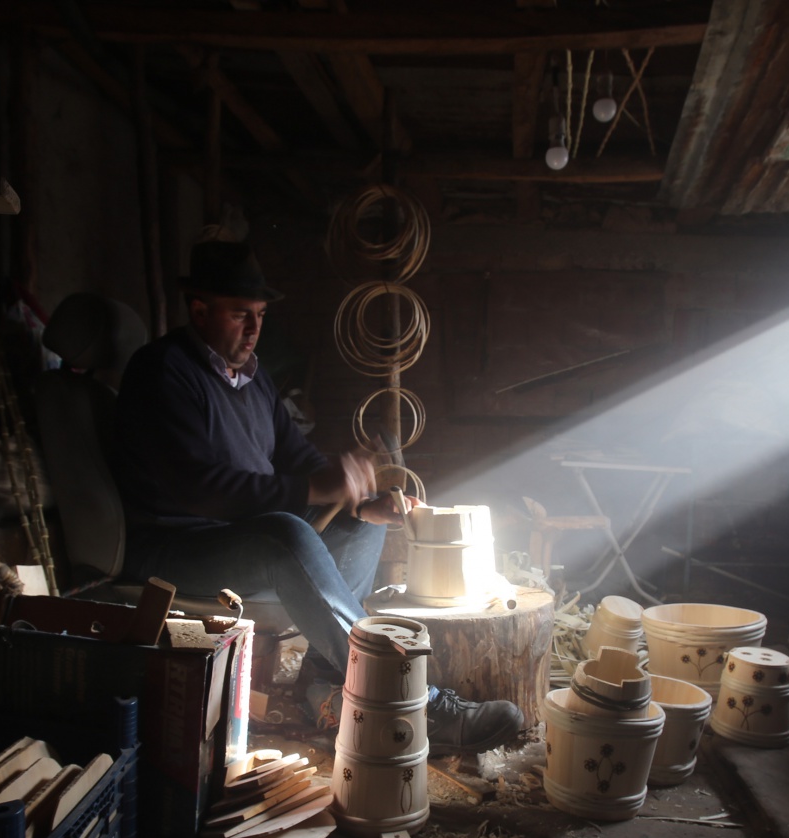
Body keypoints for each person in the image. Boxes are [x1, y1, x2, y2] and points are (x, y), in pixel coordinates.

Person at [111, 240, 522, 753]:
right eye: (240, 315)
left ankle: (324, 683)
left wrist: (358, 500)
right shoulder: (163, 371)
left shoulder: (251, 379)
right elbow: (200, 490)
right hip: (173, 546)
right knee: (284, 535)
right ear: (199, 311)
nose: (254, 328)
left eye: (260, 315)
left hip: (233, 535)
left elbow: (296, 455)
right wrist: (314, 487)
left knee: (361, 523)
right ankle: (408, 703)